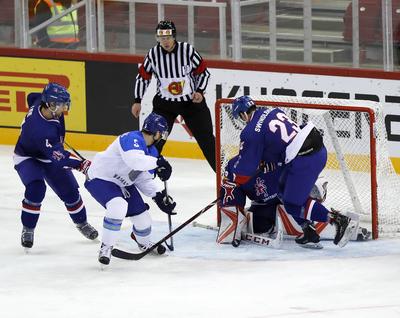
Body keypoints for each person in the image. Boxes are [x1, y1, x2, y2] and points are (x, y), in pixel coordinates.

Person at [219, 95, 359, 248]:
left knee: (292, 203)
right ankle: (309, 231)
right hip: (315, 150)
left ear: (243, 114)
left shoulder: (250, 132)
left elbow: (245, 169)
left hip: (304, 160)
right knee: (281, 190)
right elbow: (281, 142)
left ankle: (337, 220)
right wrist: (272, 162)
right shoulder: (271, 112)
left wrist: (231, 179)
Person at [13, 82, 98, 251]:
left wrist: (55, 139)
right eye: (62, 105)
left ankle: (82, 223)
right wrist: (82, 164)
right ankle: (28, 228)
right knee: (36, 189)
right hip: (28, 157)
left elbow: (32, 96)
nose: (64, 110)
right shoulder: (40, 130)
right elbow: (60, 157)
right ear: (51, 105)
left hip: (48, 150)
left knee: (71, 192)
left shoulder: (41, 102)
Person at [84, 113, 176, 266]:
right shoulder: (131, 138)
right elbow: (135, 161)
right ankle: (106, 246)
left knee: (144, 220)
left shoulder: (152, 152)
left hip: (123, 184)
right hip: (101, 178)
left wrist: (158, 196)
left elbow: (142, 178)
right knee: (118, 206)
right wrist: (159, 163)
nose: (162, 137)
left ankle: (144, 243)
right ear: (157, 133)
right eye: (162, 134)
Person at [217, 156, 369, 248]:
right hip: (264, 203)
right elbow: (231, 194)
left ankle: (335, 219)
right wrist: (234, 217)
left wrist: (276, 164)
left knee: (297, 199)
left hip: (286, 189)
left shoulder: (269, 153)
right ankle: (309, 227)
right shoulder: (234, 167)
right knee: (260, 227)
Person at [131, 20, 216, 172]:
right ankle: (144, 175)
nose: (165, 41)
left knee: (208, 142)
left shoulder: (187, 50)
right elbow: (143, 77)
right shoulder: (153, 54)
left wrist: (200, 91)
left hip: (191, 104)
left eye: (168, 37)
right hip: (165, 106)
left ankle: (225, 180)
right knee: (151, 140)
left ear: (174, 36)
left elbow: (203, 72)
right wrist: (137, 100)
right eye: (161, 38)